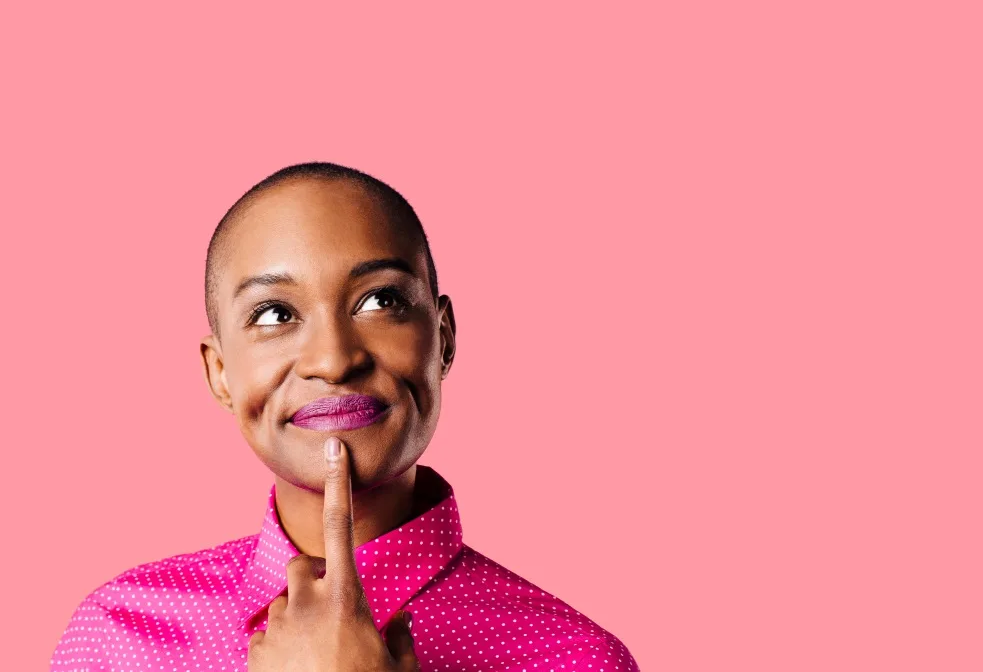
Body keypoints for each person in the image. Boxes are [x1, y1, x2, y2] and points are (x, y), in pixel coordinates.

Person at [50, 162, 639, 671]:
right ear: (220, 372)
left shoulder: (574, 659)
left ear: (444, 338)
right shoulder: (113, 638)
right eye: (275, 313)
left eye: (380, 301)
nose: (333, 360)